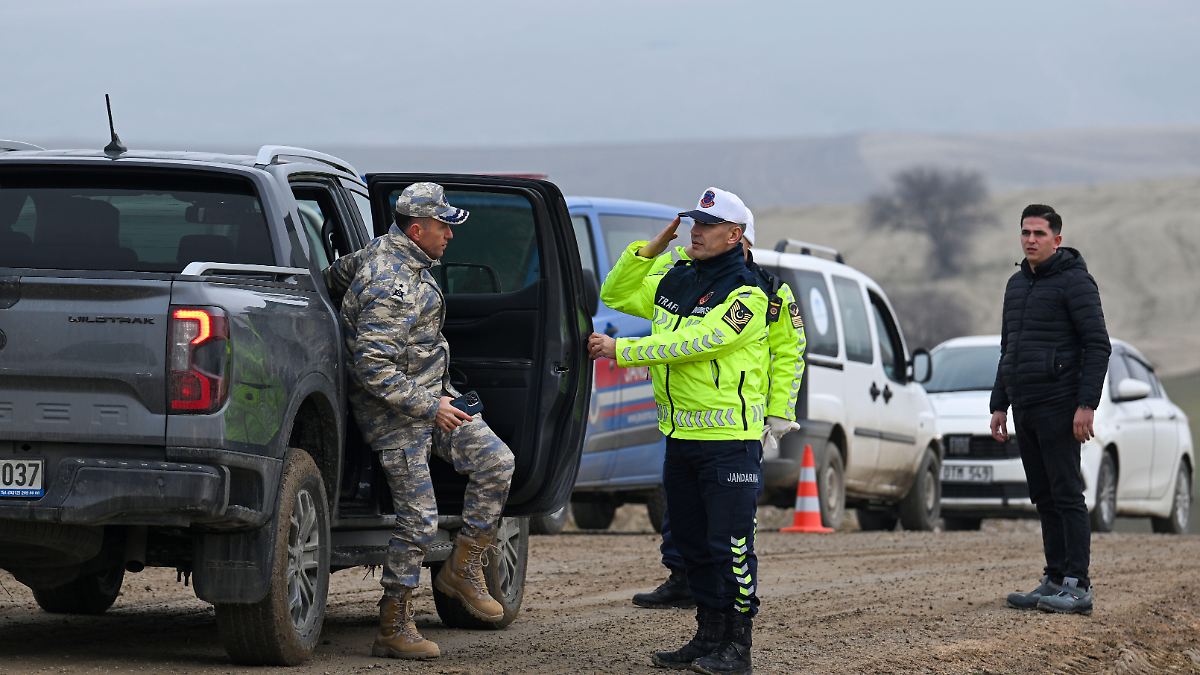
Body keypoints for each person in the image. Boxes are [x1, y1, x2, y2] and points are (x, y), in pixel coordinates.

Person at [324, 182, 516, 660]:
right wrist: (431, 407)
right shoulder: (390, 284)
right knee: (420, 520)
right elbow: (372, 369)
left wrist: (437, 401)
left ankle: (463, 567)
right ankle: (394, 623)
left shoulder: (387, 255)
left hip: (431, 400)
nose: (449, 234)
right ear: (417, 229)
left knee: (496, 462)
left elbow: (332, 275)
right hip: (395, 415)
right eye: (443, 226)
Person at [589, 187, 769, 674]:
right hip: (681, 437)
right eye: (693, 223)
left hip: (729, 441)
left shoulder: (750, 292)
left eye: (708, 226)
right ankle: (708, 637)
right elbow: (616, 294)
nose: (696, 232)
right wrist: (649, 250)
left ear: (735, 235)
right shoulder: (677, 277)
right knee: (691, 544)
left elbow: (696, 342)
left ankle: (738, 647)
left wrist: (621, 350)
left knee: (729, 546)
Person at [633, 211, 807, 611]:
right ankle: (682, 578)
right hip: (689, 421)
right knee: (685, 514)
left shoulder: (769, 291)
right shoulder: (694, 280)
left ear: (742, 240)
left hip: (737, 422)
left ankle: (729, 627)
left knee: (729, 529)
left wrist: (777, 414)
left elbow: (788, 354)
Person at [990, 204, 1110, 616]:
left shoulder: (1076, 283)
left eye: (1039, 234)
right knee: (1043, 495)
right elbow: (1010, 350)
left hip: (1061, 405)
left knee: (1066, 493)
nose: (1030, 240)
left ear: (1057, 240)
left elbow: (1098, 345)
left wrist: (1086, 404)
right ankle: (1055, 578)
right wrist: (999, 404)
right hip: (1025, 404)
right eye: (1025, 232)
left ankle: (1078, 585)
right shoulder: (1015, 285)